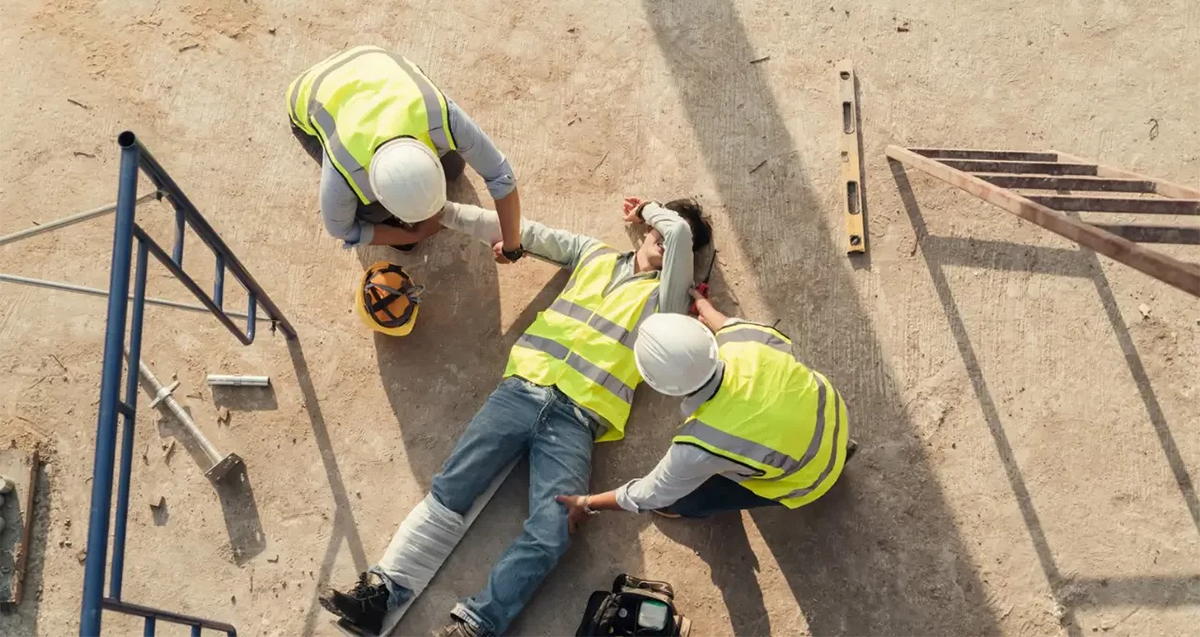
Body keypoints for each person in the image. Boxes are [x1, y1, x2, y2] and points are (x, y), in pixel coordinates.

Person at [318, 197, 714, 636]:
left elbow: (678, 234)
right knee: (450, 490)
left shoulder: (670, 300)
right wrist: (439, 208)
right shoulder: (593, 254)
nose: (662, 240)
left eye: (671, 238)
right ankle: (380, 596)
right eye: (656, 232)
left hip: (577, 421)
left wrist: (652, 210)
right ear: (644, 233)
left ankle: (477, 624)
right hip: (521, 389)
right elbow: (520, 231)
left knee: (553, 531)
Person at [557, 291, 855, 525]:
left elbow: (648, 493)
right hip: (835, 419)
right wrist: (703, 304)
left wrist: (586, 503)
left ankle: (690, 508)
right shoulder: (747, 340)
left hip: (808, 478)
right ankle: (839, 450)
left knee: (679, 499)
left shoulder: (701, 442)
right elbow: (724, 324)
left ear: (660, 386)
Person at [287, 45, 524, 261]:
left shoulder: (440, 116)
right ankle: (387, 214)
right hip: (308, 94)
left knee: (454, 167)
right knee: (372, 211)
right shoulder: (346, 168)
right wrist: (412, 236)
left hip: (368, 58)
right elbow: (342, 229)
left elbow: (500, 176)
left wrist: (512, 247)